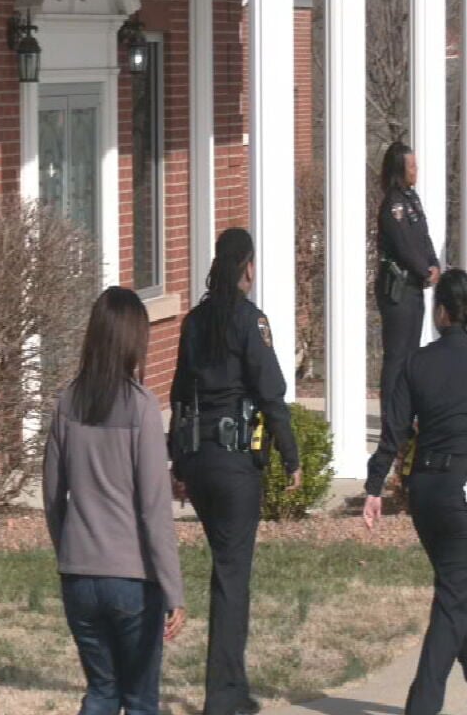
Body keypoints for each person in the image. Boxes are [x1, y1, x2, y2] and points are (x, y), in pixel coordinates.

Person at [363, 269, 467, 715]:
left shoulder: (416, 362)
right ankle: (423, 705)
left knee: (458, 589)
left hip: (426, 492)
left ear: (441, 312)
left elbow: (393, 432)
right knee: (454, 597)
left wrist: (375, 486)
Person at [169, 228, 302, 715]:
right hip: (234, 463)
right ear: (246, 266)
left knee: (226, 568)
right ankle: (224, 696)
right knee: (231, 575)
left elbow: (180, 394)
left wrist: (177, 461)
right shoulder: (251, 321)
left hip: (199, 460)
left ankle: (230, 686)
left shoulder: (194, 322)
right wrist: (291, 457)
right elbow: (271, 392)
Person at [43, 286, 187, 715]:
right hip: (132, 579)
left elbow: (53, 495)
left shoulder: (66, 401)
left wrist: (69, 547)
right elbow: (154, 507)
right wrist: (173, 590)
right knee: (140, 700)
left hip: (79, 575)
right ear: (133, 339)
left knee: (102, 692)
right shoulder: (141, 407)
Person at [376, 141, 440, 420]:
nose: (416, 170)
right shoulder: (393, 205)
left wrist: (434, 263)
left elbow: (423, 238)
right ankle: (391, 415)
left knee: (411, 355)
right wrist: (424, 270)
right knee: (397, 356)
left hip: (414, 289)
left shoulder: (412, 200)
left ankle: (405, 413)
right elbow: (403, 246)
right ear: (399, 168)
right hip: (398, 291)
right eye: (411, 166)